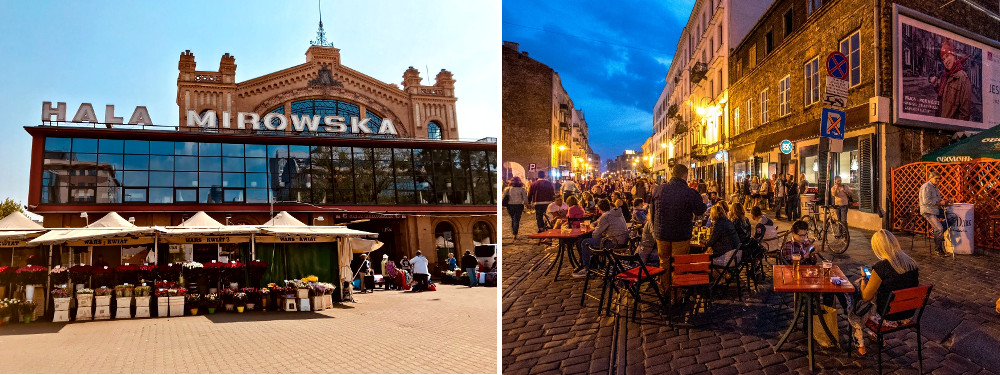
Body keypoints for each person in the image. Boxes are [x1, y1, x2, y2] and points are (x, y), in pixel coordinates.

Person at [849, 230, 919, 354]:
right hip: (908, 316)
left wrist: (864, 279)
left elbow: (866, 296)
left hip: (887, 319)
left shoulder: (881, 267)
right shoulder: (911, 264)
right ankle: (874, 337)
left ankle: (860, 343)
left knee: (857, 299)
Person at [649, 164, 707, 301]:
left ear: (672, 174)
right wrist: (704, 202)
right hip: (681, 235)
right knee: (679, 264)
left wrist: (656, 230)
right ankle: (676, 295)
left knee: (663, 262)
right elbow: (699, 211)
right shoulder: (689, 192)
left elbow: (652, 212)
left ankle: (664, 291)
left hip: (662, 234)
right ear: (685, 176)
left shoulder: (658, 190)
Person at [573, 199, 628, 278]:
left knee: (585, 242)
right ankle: (595, 265)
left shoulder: (606, 216)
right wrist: (595, 225)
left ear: (598, 208)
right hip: (623, 240)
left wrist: (593, 228)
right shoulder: (616, 213)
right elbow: (599, 222)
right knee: (592, 241)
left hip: (614, 242)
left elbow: (596, 235)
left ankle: (587, 269)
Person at [931, 39, 972, 120]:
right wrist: (936, 86)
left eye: (947, 56)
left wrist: (953, 129)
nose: (946, 61)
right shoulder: (945, 75)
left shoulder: (962, 77)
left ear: (953, 55)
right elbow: (945, 95)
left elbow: (965, 113)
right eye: (943, 59)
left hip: (950, 130)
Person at [919, 171, 949, 256]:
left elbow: (938, 199)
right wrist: (940, 203)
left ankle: (934, 230)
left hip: (935, 209)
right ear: (930, 178)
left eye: (939, 179)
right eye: (936, 179)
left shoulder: (935, 187)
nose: (938, 181)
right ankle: (938, 249)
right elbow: (926, 202)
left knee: (953, 216)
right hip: (928, 210)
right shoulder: (926, 187)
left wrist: (944, 202)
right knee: (939, 229)